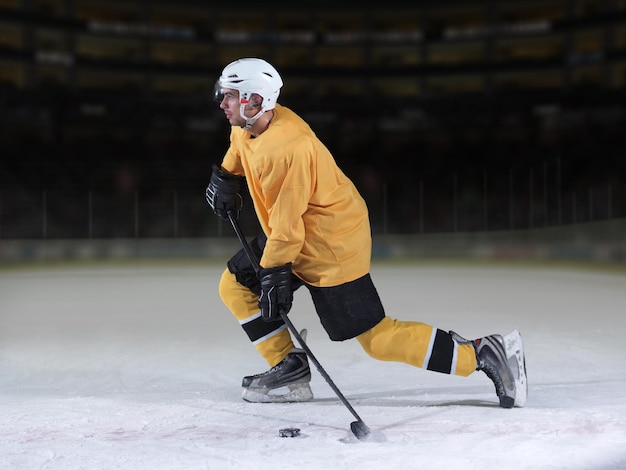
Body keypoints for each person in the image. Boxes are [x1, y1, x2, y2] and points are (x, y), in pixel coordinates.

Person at [206, 58, 527, 408]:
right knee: (235, 285)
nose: (222, 102)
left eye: (231, 96)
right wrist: (226, 176)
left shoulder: (288, 148)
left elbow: (286, 227)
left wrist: (274, 274)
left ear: (254, 100)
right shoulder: (250, 124)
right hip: (296, 233)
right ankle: (288, 366)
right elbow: (241, 148)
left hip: (331, 243)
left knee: (378, 339)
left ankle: (483, 354)